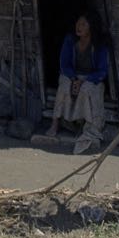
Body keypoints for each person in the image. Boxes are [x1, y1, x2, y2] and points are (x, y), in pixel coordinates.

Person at [45, 10, 110, 154]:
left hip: (91, 78)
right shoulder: (70, 40)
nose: (78, 27)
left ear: (91, 27)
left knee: (88, 90)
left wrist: (84, 81)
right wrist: (74, 78)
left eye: (83, 24)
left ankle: (84, 123)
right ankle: (55, 124)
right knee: (64, 86)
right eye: (78, 23)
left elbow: (102, 71)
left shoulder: (99, 45)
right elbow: (64, 64)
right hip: (72, 75)